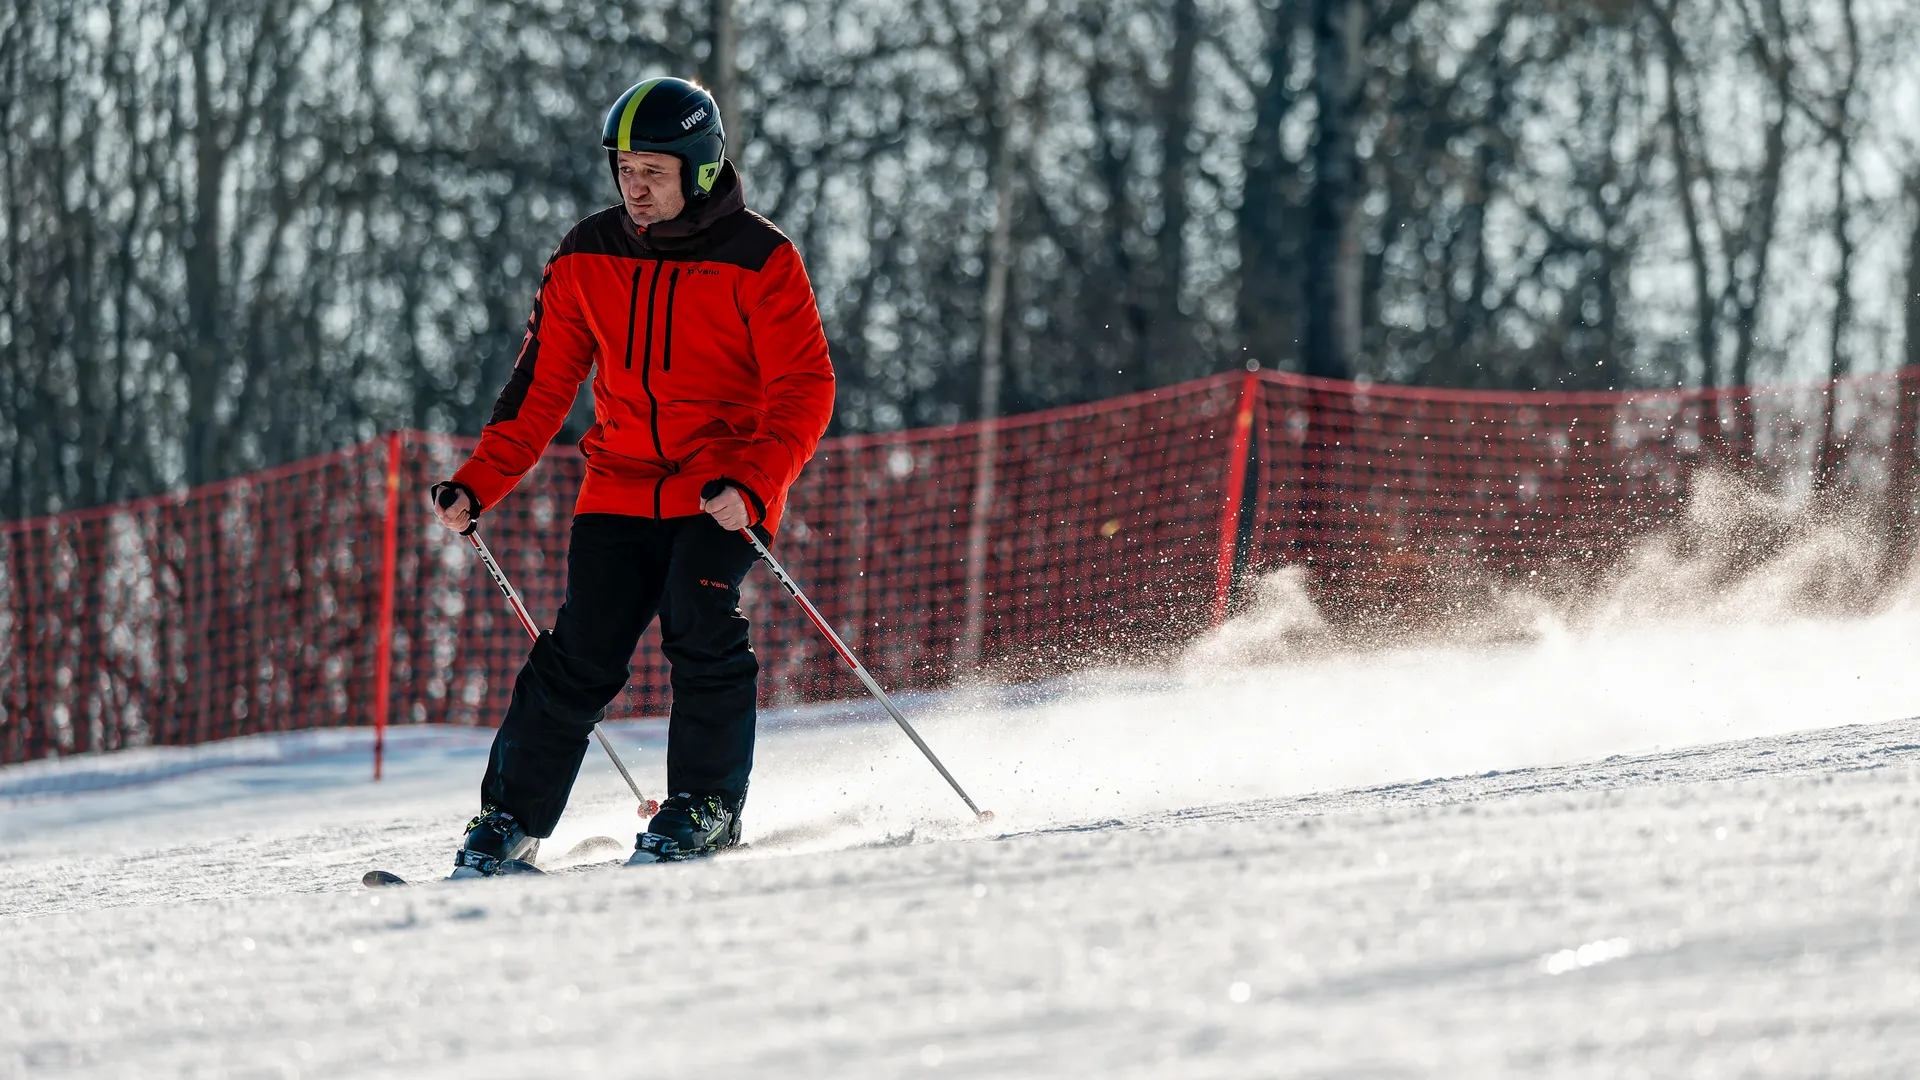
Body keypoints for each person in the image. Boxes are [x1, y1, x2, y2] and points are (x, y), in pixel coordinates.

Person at [429, 76, 834, 873]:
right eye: (623, 170)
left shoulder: (761, 258)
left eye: (652, 170)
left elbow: (805, 387)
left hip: (722, 490)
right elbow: (541, 384)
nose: (634, 187)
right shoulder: (588, 254)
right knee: (581, 649)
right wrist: (480, 481)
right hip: (619, 483)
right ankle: (508, 818)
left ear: (701, 168)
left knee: (699, 624)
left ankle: (707, 806)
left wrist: (754, 483)